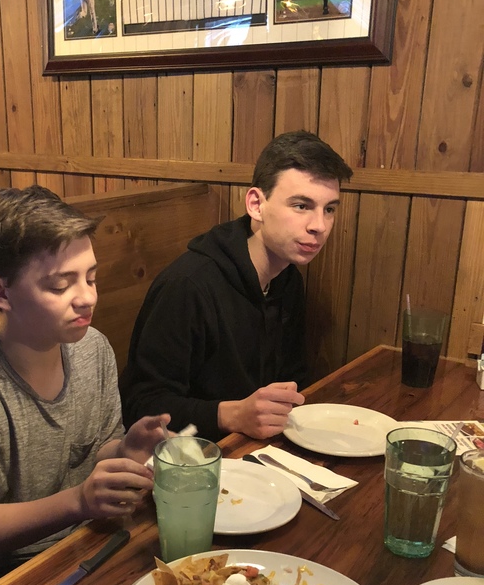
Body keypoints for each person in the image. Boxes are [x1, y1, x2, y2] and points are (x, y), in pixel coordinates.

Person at [0, 186, 167, 585]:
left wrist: (128, 449)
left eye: (91, 277)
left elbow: (95, 449)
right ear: (0, 293)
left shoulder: (93, 348)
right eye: (60, 285)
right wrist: (79, 501)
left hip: (83, 547)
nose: (87, 297)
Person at [120, 130, 352, 443]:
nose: (319, 226)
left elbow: (293, 379)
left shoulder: (288, 279)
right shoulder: (188, 285)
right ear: (256, 204)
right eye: (301, 206)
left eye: (329, 209)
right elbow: (140, 407)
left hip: (259, 449)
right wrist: (231, 415)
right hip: (190, 458)